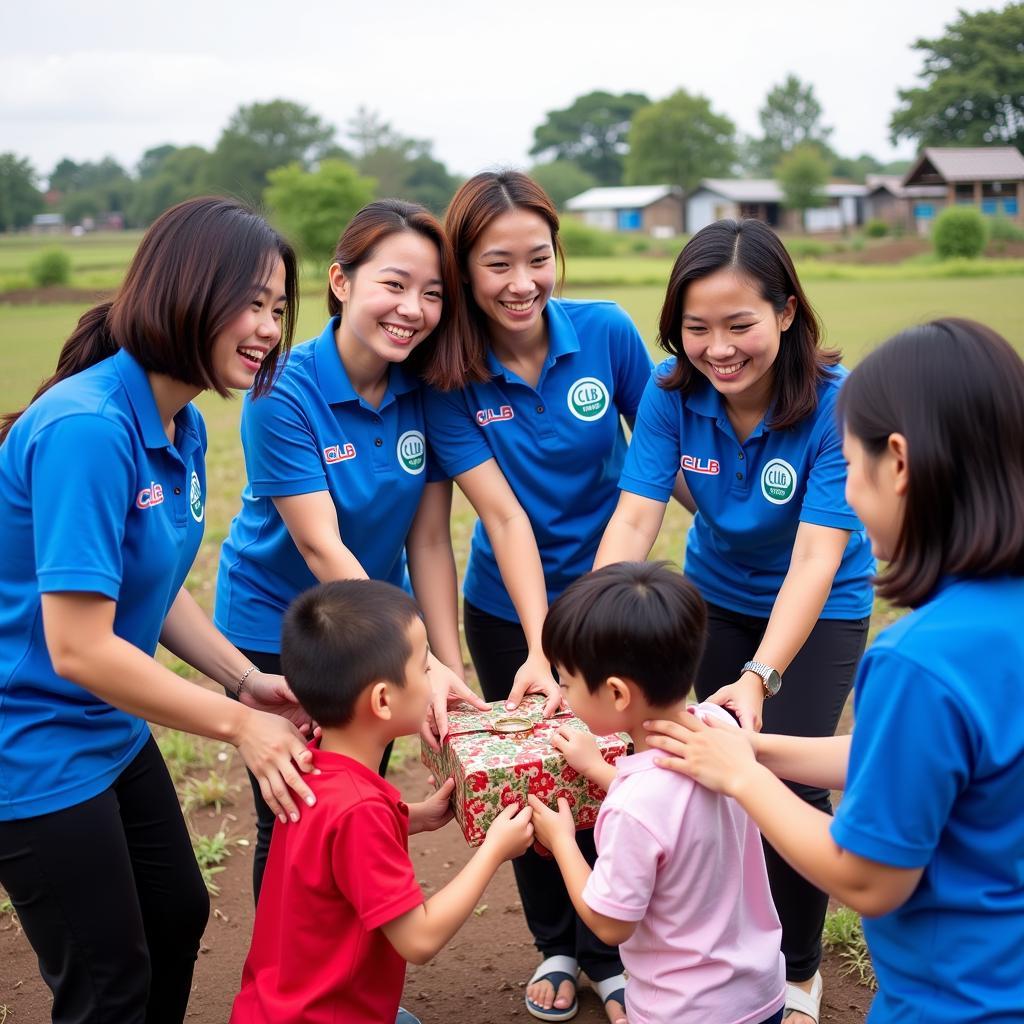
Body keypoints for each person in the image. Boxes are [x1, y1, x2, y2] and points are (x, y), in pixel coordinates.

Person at [644, 318, 1024, 1024]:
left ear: (900, 464)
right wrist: (749, 746)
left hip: (959, 1003)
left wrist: (744, 778)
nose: (846, 493)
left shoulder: (920, 660)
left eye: (850, 466)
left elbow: (869, 878)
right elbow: (924, 761)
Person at [0, 197, 319, 1024]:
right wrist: (239, 726)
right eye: (252, 302)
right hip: (32, 744)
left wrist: (247, 682)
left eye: (279, 309)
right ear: (186, 290)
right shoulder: (88, 428)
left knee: (176, 916)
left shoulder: (175, 421)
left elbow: (150, 584)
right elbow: (78, 648)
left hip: (109, 728)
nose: (269, 329)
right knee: (108, 984)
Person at [595, 218, 875, 1023]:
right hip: (714, 593)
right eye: (696, 328)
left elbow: (817, 560)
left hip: (822, 606)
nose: (718, 348)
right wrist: (586, 640)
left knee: (785, 776)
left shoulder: (834, 401)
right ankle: (709, 950)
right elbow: (634, 520)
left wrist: (759, 676)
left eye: (740, 324)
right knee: (682, 760)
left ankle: (795, 970)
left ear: (786, 312)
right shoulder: (670, 390)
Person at [424, 170, 654, 1022]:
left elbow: (657, 460)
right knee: (525, 772)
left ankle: (617, 943)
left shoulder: (607, 333)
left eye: (540, 257)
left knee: (612, 768)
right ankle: (559, 942)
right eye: (497, 264)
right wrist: (539, 648)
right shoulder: (448, 374)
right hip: (507, 608)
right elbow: (503, 517)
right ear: (465, 269)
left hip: (613, 600)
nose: (523, 282)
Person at [213, 200, 489, 900]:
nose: (413, 309)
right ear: (341, 282)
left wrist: (446, 669)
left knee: (359, 798)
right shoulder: (282, 389)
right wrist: (417, 661)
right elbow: (319, 546)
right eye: (394, 284)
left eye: (432, 294)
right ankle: (287, 997)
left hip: (377, 626)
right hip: (282, 630)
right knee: (298, 814)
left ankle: (353, 985)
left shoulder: (423, 387)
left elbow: (428, 539)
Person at [230, 579, 535, 1024]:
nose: (435, 678)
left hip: (271, 1005)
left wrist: (417, 816)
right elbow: (419, 938)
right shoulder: (360, 810)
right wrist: (495, 850)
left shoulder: (308, 764)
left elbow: (331, 841)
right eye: (425, 667)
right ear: (383, 700)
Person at [525, 561, 785, 1024]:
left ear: (617, 694)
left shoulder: (631, 810)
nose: (563, 695)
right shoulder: (718, 729)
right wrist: (597, 769)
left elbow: (609, 923)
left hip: (681, 1009)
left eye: (566, 682)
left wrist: (563, 841)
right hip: (758, 993)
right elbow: (672, 807)